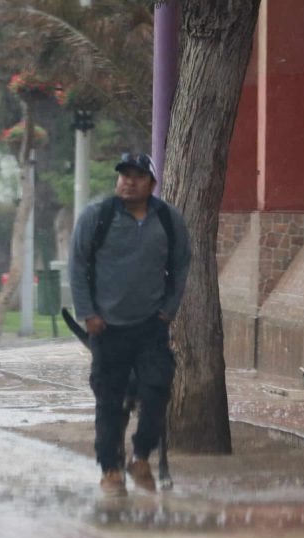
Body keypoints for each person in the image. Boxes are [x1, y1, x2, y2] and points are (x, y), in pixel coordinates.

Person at [68, 152, 191, 496]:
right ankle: (110, 470)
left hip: (151, 326)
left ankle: (140, 457)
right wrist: (88, 313)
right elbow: (77, 266)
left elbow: (181, 264)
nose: (129, 181)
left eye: (138, 176)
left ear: (152, 183)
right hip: (106, 328)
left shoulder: (168, 219)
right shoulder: (98, 216)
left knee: (156, 391)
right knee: (109, 401)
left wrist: (169, 308)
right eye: (124, 174)